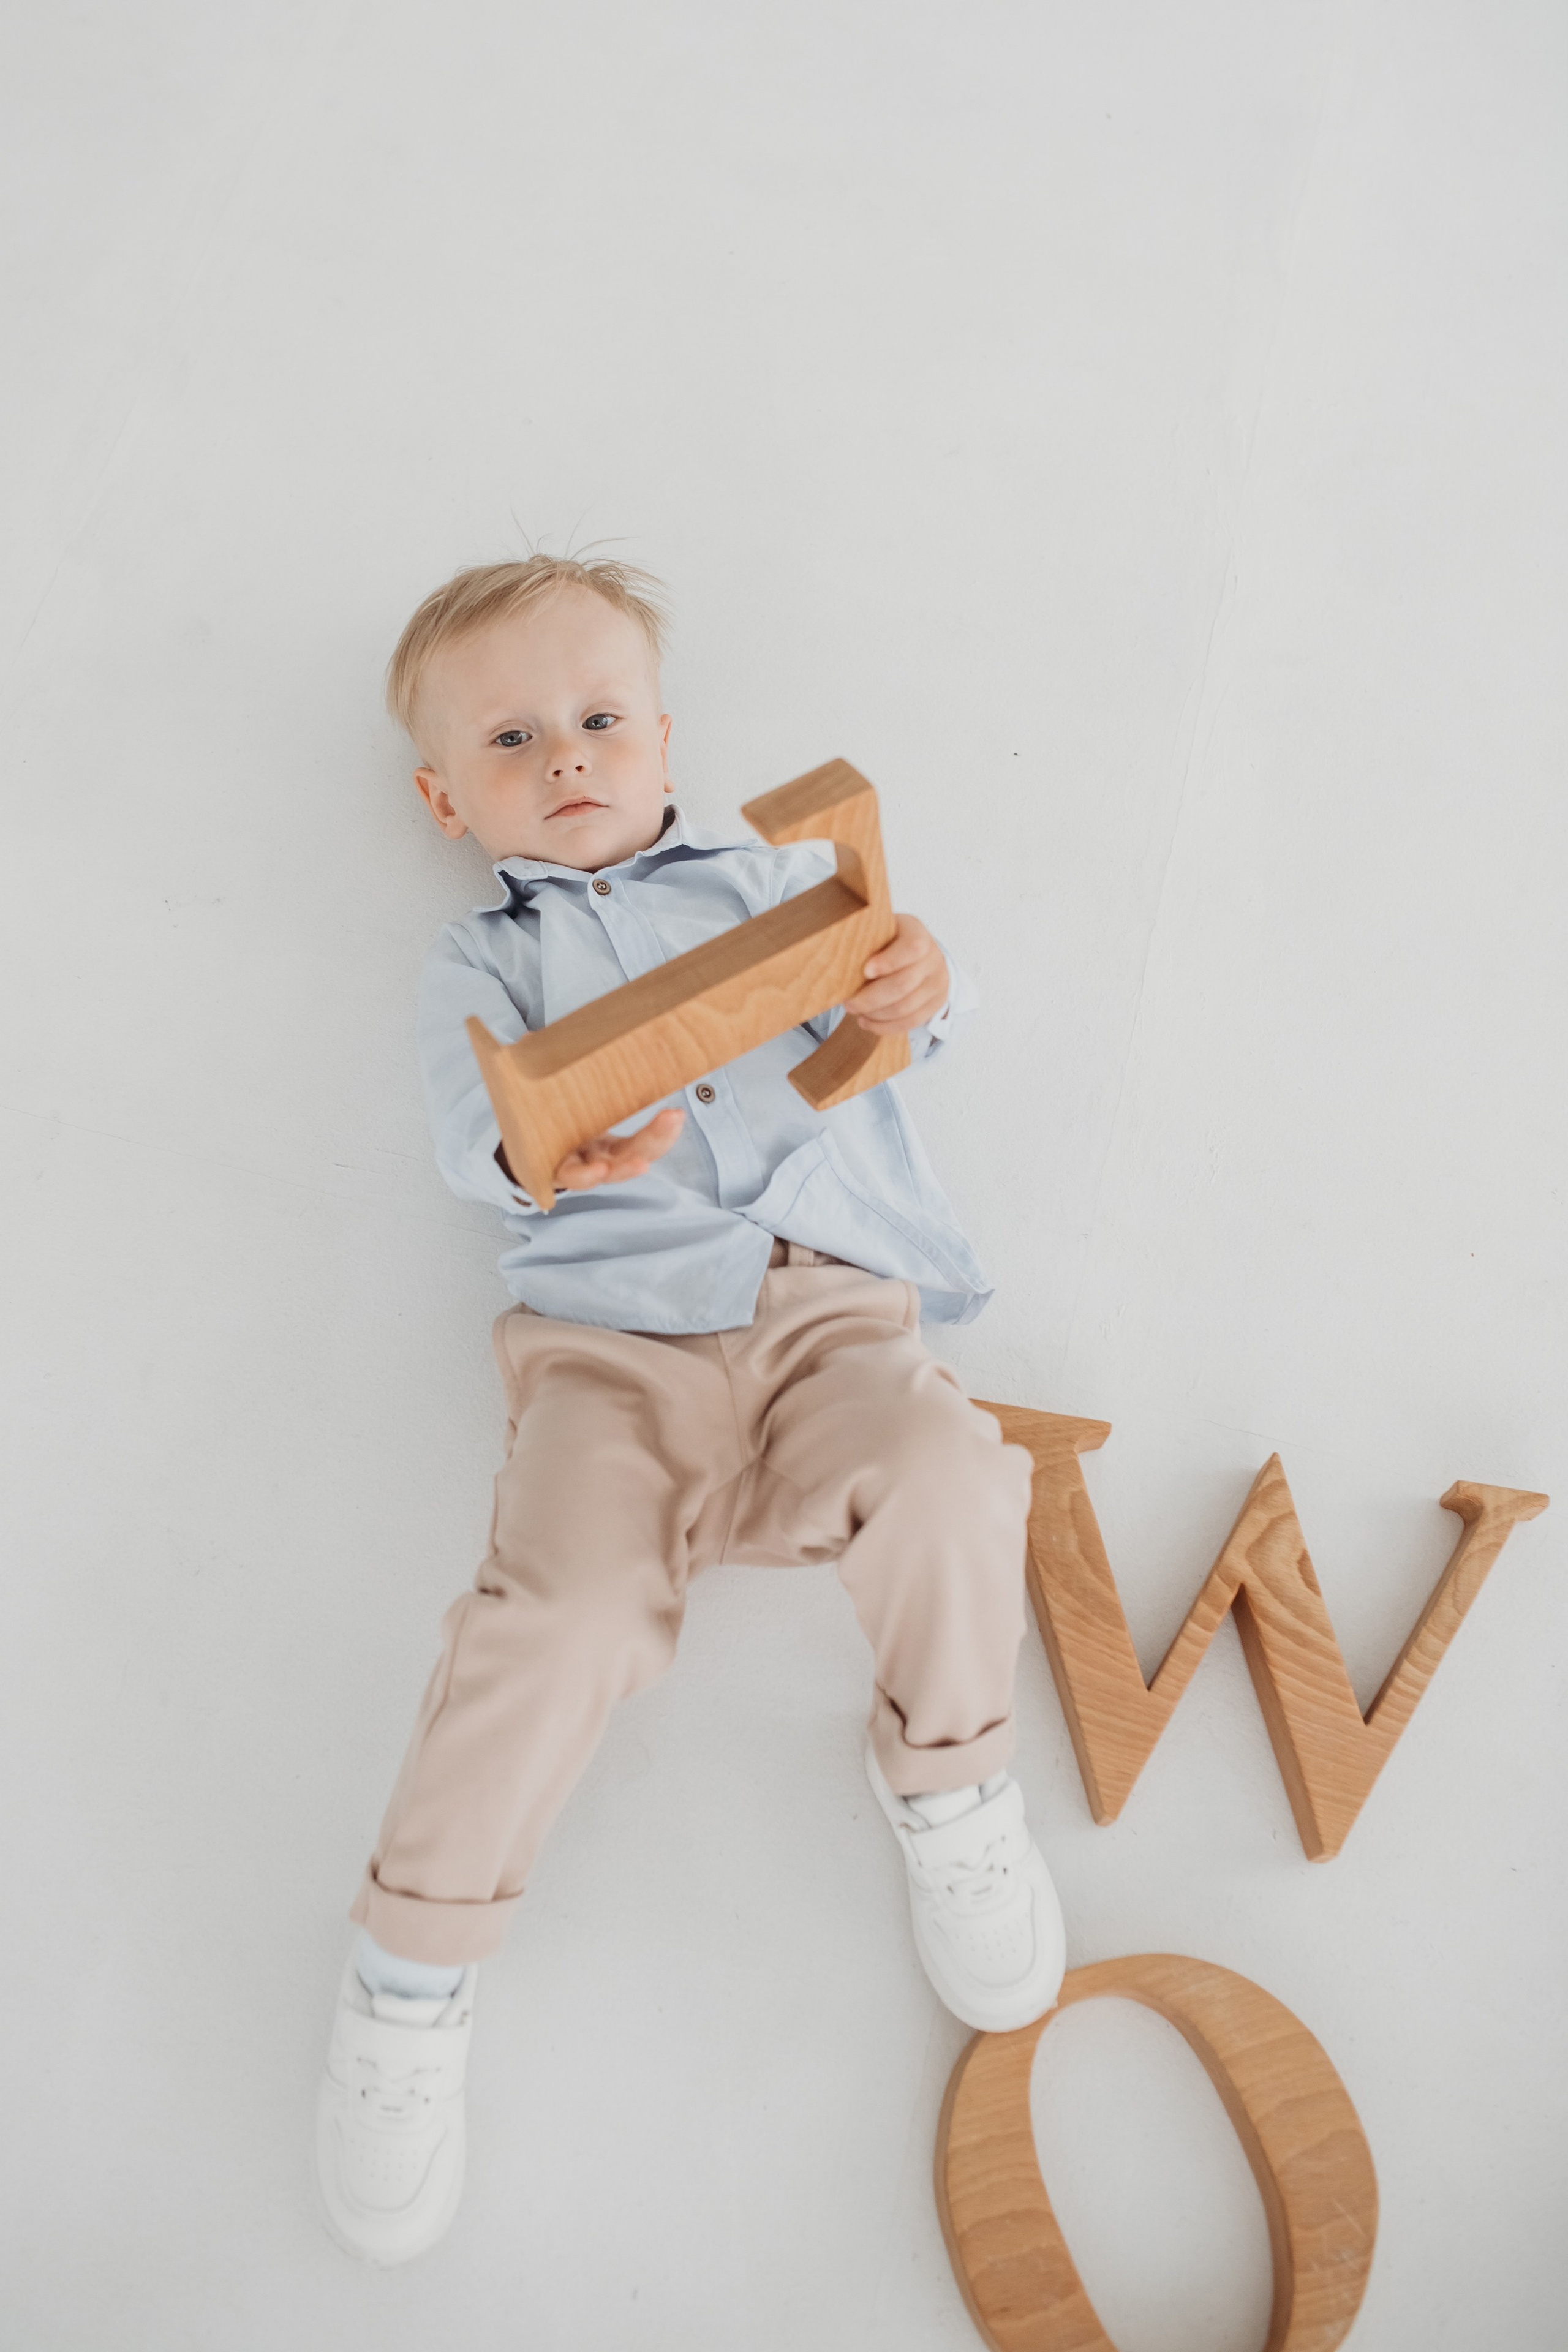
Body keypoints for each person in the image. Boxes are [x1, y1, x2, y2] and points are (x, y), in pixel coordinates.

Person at [314, 554, 1066, 2263]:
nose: (567, 759)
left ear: (665, 739)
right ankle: (408, 1976)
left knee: (953, 1471)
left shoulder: (777, 882)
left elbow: (904, 1023)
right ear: (447, 797)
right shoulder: (484, 961)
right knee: (552, 1617)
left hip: (830, 1305)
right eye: (513, 740)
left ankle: (953, 1786)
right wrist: (549, 1143)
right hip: (614, 1350)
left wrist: (912, 982)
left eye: (597, 721)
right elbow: (472, 1132)